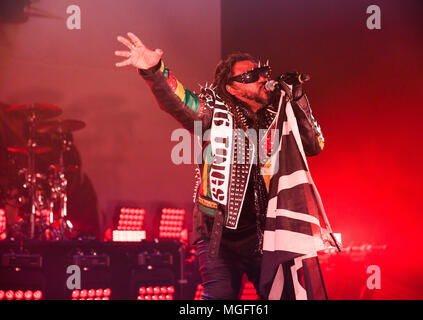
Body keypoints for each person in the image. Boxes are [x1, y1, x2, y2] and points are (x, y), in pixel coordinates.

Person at [115, 32, 327, 299]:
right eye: (250, 76)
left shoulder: (279, 118)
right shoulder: (214, 112)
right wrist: (155, 71)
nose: (262, 78)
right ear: (232, 87)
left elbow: (314, 144)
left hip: (268, 235)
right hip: (219, 237)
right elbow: (181, 103)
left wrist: (296, 97)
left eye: (262, 71)